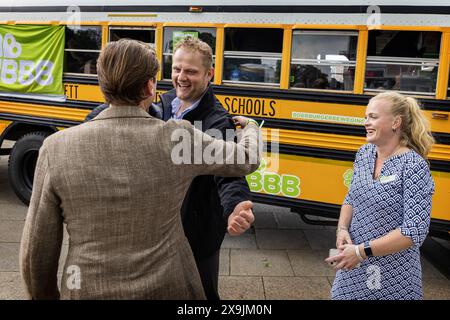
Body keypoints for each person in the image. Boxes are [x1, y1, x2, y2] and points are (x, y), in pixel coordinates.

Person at [19, 39, 260, 300]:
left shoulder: (55, 148)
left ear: (102, 85)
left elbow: (36, 252)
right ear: (149, 87)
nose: (181, 77)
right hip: (168, 287)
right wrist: (250, 129)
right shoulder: (179, 138)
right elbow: (246, 158)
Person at [86, 37, 255, 300]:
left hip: (195, 232)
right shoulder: (160, 103)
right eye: (177, 69)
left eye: (191, 71)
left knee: (201, 293)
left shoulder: (217, 120)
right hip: (154, 230)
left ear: (209, 74)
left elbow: (229, 172)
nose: (181, 77)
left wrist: (235, 206)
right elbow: (124, 111)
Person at [325, 91, 435, 300]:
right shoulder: (364, 153)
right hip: (353, 266)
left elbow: (414, 231)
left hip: (393, 274)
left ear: (396, 122)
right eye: (366, 117)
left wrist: (360, 251)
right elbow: (352, 197)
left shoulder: (414, 166)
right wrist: (341, 229)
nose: (366, 122)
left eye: (373, 117)